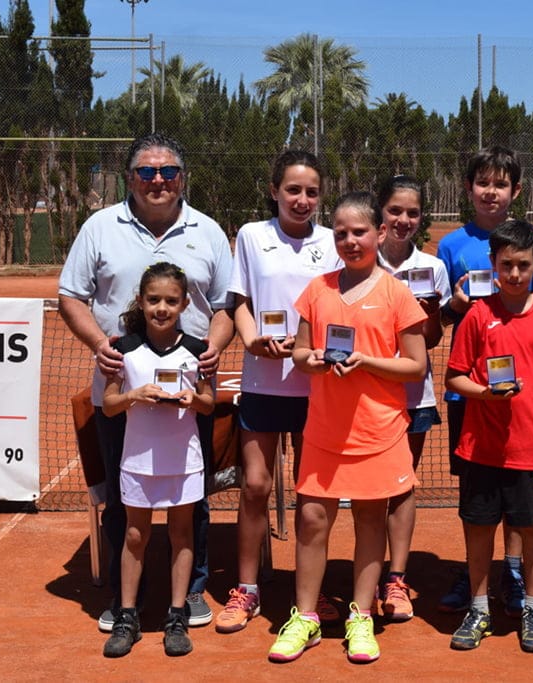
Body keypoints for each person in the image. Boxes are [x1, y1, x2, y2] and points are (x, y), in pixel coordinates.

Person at [58, 133, 234, 631]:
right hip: (121, 395)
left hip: (188, 395)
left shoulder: (208, 230)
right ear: (130, 178)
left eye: (168, 171)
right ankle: (123, 597)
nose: (158, 181)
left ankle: (191, 593)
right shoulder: (99, 227)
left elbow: (226, 305)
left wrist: (216, 345)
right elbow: (71, 295)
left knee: (192, 501)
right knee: (121, 499)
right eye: (147, 172)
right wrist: (99, 345)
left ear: (182, 177)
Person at [267, 191, 427, 664]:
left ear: (379, 233)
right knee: (312, 519)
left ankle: (362, 616)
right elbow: (299, 354)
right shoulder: (318, 289)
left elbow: (415, 365)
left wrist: (367, 362)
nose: (351, 241)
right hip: (325, 430)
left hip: (380, 431)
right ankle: (307, 617)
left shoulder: (397, 293)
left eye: (360, 232)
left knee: (369, 521)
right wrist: (312, 361)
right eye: (341, 233)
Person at [217, 150, 342, 634]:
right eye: (293, 189)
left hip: (316, 387)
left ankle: (311, 591)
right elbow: (241, 300)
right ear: (274, 191)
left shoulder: (333, 242)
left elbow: (337, 305)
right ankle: (246, 590)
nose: (303, 199)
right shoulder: (251, 235)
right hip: (262, 382)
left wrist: (311, 348)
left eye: (312, 191)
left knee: (315, 494)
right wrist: (252, 341)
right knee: (255, 487)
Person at [444, 219, 533, 653]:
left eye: (523, 265)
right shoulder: (478, 316)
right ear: (493, 265)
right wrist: (484, 393)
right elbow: (455, 376)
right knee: (478, 532)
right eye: (506, 265)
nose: (515, 274)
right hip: (481, 450)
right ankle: (480, 608)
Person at [435, 145, 533, 616]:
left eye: (500, 184)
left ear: (515, 191)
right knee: (481, 496)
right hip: (471, 392)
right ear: (469, 188)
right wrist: (457, 307)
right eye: (482, 183)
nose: (491, 191)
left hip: (524, 399)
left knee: (518, 491)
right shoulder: (450, 245)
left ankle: (514, 570)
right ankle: (475, 577)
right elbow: (442, 316)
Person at [100, 262, 215, 658]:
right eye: (153, 300)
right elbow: (110, 405)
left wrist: (192, 399)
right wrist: (134, 395)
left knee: (182, 535)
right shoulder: (124, 348)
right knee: (135, 535)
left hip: (184, 461)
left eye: (170, 300)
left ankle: (177, 615)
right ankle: (128, 616)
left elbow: (209, 402)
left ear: (184, 303)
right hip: (137, 461)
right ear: (141, 301)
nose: (161, 308)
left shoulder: (197, 349)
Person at [376, 175, 452, 621]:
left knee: (403, 486)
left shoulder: (433, 267)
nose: (404, 220)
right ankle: (365, 576)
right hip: (367, 395)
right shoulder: (362, 260)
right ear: (381, 213)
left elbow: (435, 337)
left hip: (414, 394)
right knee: (369, 491)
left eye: (412, 213)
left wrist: (428, 315)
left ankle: (396, 579)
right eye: (395, 211)